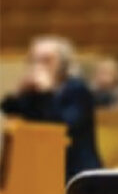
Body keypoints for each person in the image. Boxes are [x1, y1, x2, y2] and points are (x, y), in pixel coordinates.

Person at [1, 35, 102, 181]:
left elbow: (61, 127)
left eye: (46, 60)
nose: (38, 66)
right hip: (41, 169)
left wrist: (46, 93)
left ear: (63, 64)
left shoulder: (77, 89)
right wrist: (19, 93)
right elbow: (8, 110)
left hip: (77, 174)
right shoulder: (34, 93)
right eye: (33, 60)